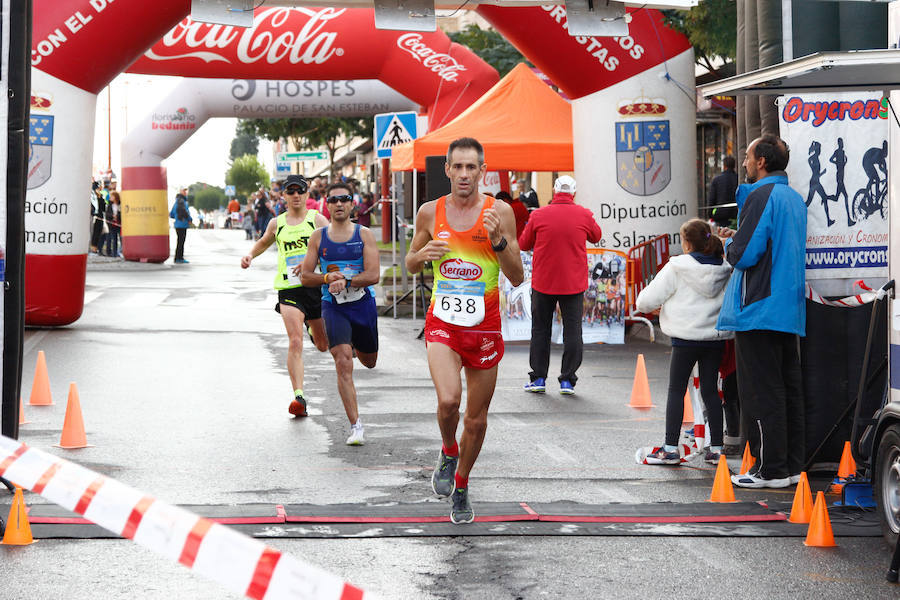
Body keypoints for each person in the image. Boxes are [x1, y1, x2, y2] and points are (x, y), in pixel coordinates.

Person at [406, 137, 524, 524]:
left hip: (485, 329)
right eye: (457, 167)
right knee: (448, 402)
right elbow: (409, 262)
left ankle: (461, 482)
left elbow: (517, 275)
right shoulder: (429, 212)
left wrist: (498, 241)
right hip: (444, 325)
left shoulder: (499, 212)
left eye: (471, 167)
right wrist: (421, 256)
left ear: (482, 171)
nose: (464, 174)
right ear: (447, 170)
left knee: (475, 419)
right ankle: (447, 449)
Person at [716, 134, 807, 489]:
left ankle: (769, 469)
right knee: (787, 389)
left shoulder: (761, 195)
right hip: (786, 306)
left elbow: (745, 254)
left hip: (759, 306)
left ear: (762, 162)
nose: (743, 162)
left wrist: (728, 242)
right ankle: (788, 466)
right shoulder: (793, 198)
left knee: (761, 391)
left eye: (747, 156)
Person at [636, 219, 733, 465]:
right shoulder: (725, 268)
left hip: (684, 338)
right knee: (711, 391)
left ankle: (670, 447)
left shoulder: (677, 267)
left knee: (676, 390)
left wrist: (661, 308)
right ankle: (717, 448)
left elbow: (646, 300)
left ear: (687, 243)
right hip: (714, 338)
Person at [241, 174, 329, 415]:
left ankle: (314, 329)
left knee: (322, 345)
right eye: (291, 192)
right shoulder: (277, 223)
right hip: (289, 288)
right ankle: (298, 396)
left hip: (316, 287)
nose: (296, 195)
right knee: (294, 340)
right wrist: (250, 255)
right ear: (284, 196)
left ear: (307, 194)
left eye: (300, 191)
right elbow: (263, 241)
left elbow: (331, 246)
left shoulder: (316, 220)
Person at [301, 182, 380, 446]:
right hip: (333, 306)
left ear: (351, 203)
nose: (338, 204)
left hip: (362, 306)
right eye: (333, 200)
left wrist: (347, 281)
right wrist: (326, 277)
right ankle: (356, 426)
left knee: (369, 362)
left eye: (343, 199)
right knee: (343, 360)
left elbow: (374, 275)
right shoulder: (318, 237)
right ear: (327, 203)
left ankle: (356, 343)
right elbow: (305, 276)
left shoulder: (364, 234)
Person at [517, 176, 602, 395]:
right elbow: (596, 236)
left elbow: (524, 243)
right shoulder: (583, 214)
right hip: (573, 282)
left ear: (554, 190)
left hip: (544, 281)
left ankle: (538, 378)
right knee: (573, 330)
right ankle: (567, 380)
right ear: (573, 192)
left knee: (540, 330)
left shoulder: (538, 215)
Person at [708, 156, 738, 227]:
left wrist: (710, 214)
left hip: (720, 215)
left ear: (724, 166)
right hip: (735, 214)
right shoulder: (738, 178)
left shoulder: (717, 180)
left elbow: (712, 199)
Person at [169, 188, 193, 264]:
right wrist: (189, 219)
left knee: (179, 241)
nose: (186, 193)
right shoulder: (182, 202)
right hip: (182, 224)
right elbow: (184, 211)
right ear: (182, 193)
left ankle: (178, 257)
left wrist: (176, 217)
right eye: (185, 191)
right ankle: (179, 258)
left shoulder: (176, 202)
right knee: (181, 242)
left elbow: (171, 214)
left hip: (177, 224)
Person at [104, 191, 121, 257]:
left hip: (118, 224)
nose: (110, 197)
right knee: (113, 239)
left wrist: (117, 216)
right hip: (111, 224)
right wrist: (112, 216)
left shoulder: (120, 205)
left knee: (118, 239)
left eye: (112, 196)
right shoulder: (109, 205)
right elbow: (107, 214)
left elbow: (121, 213)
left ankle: (117, 252)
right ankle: (112, 253)